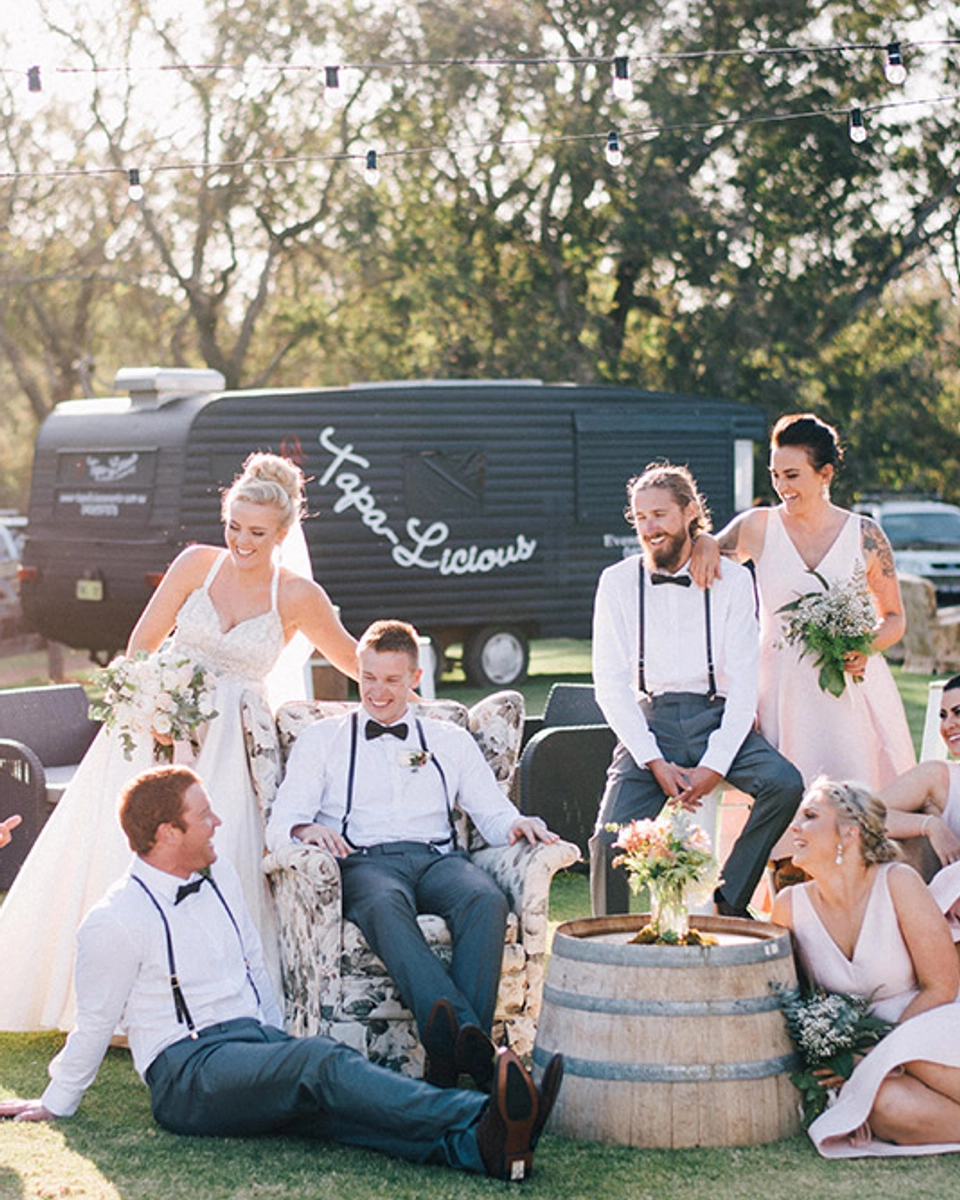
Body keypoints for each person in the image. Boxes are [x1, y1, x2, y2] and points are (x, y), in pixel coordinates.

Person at [0, 766, 563, 1183]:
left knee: (329, 1103)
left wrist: (275, 1042)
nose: (218, 821)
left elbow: (252, 962)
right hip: (187, 1074)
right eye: (204, 815)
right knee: (319, 1063)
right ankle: (487, 1112)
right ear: (168, 832)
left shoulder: (219, 876)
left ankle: (484, 1149)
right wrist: (57, 1100)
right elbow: (95, 1020)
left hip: (250, 1042)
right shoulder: (114, 920)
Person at [0, 451, 358, 1033]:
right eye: (234, 526)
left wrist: (404, 677)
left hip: (230, 751)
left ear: (283, 534)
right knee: (115, 856)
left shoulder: (297, 596)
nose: (241, 541)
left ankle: (201, 1007)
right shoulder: (196, 564)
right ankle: (102, 1003)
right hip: (152, 734)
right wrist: (152, 702)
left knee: (216, 862)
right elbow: (142, 644)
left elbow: (353, 660)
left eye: (257, 533)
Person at [266, 618, 558, 1088]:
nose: (377, 692)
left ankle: (446, 1058)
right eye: (368, 678)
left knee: (485, 899)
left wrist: (516, 825)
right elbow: (281, 823)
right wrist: (305, 828)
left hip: (439, 860)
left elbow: (492, 812)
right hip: (365, 862)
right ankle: (473, 1048)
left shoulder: (449, 740)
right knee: (384, 905)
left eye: (391, 680)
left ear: (415, 678)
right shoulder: (322, 739)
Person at [691, 414, 915, 877]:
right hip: (780, 692)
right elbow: (704, 553)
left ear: (825, 473)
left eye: (792, 475)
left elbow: (895, 618)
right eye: (775, 475)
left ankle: (858, 898)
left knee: (855, 801)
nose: (781, 487)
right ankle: (787, 899)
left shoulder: (865, 535)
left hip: (849, 694)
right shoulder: (757, 527)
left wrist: (866, 645)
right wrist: (706, 542)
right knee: (785, 806)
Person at [588, 462, 803, 918]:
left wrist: (714, 764)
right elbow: (608, 684)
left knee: (784, 785)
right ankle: (607, 941)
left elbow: (744, 682)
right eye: (640, 517)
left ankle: (730, 900)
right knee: (607, 839)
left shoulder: (734, 580)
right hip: (651, 721)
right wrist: (653, 760)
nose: (649, 528)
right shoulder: (616, 582)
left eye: (659, 515)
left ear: (689, 513)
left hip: (717, 716)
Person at [772, 777, 960, 1157]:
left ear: (850, 832)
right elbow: (797, 999)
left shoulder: (898, 882)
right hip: (863, 1050)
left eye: (810, 816)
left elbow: (942, 985)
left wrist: (880, 1049)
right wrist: (842, 1053)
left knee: (916, 1051)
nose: (795, 828)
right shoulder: (789, 906)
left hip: (927, 1024)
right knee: (885, 1109)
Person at [880, 673, 960, 870]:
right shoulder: (938, 776)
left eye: (958, 712)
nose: (947, 725)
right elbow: (863, 815)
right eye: (943, 716)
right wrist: (929, 825)